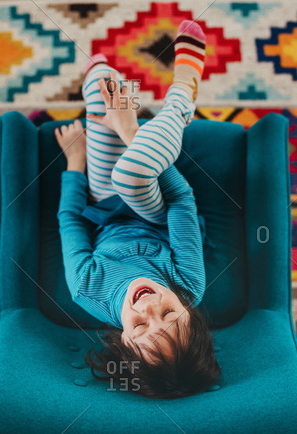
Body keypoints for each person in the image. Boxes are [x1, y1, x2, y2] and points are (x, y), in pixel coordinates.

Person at [56, 20, 220, 399]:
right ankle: (179, 99)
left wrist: (74, 163)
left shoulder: (87, 289)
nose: (149, 308)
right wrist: (128, 131)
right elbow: (181, 200)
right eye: (169, 314)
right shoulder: (190, 284)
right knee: (130, 171)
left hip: (106, 204)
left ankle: (140, 116)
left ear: (125, 342)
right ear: (189, 314)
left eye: (141, 327)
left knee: (102, 79)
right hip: (158, 208)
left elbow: (70, 221)